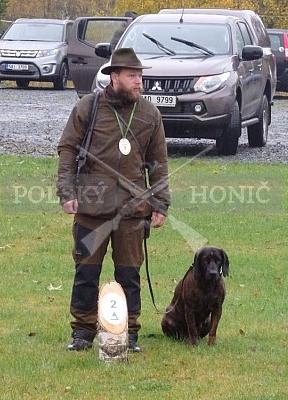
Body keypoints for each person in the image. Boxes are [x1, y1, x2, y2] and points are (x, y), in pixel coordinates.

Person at [56, 48, 170, 352]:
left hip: (132, 211)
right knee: (86, 273)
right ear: (114, 76)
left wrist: (161, 203)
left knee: (129, 275)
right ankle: (82, 331)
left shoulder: (149, 114)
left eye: (140, 76)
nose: (138, 82)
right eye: (132, 76)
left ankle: (129, 333)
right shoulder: (88, 108)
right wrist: (66, 191)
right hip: (92, 209)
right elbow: (67, 149)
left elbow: (158, 162)